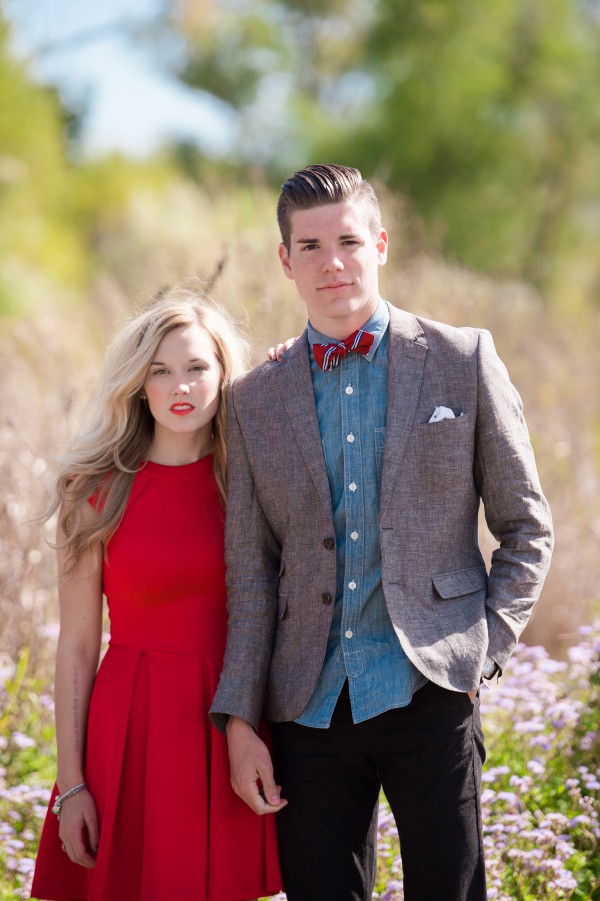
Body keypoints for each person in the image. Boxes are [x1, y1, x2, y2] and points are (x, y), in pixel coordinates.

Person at [210, 164, 554, 901]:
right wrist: (240, 717)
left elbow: (526, 524)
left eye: (348, 241)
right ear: (285, 260)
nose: (331, 262)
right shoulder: (252, 400)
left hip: (432, 685)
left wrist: (483, 647)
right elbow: (249, 572)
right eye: (310, 246)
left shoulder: (463, 360)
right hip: (307, 704)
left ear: (381, 244)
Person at [32, 286, 283, 901]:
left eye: (198, 367)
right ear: (138, 385)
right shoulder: (93, 490)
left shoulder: (256, 484)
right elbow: (79, 644)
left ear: (224, 374)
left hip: (234, 720)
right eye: (161, 371)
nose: (181, 387)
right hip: (131, 725)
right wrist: (72, 784)